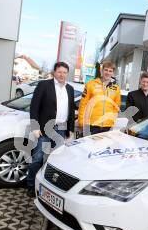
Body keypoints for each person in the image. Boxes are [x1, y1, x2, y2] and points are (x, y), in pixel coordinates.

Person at [27, 62, 76, 197]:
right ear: (54, 72)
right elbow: (34, 107)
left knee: (56, 161)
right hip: (45, 128)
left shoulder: (70, 89)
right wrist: (35, 127)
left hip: (61, 129)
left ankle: (51, 188)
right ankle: (31, 186)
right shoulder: (44, 85)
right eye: (59, 72)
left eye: (65, 72)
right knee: (38, 158)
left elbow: (71, 110)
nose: (62, 75)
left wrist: (70, 129)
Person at [78, 61, 121, 135]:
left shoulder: (116, 88)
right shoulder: (91, 84)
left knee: (104, 146)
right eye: (106, 70)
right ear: (102, 71)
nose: (107, 73)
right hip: (91, 124)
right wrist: (81, 121)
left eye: (110, 71)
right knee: (89, 146)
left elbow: (116, 107)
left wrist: (112, 120)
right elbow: (83, 104)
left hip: (107, 126)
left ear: (112, 73)